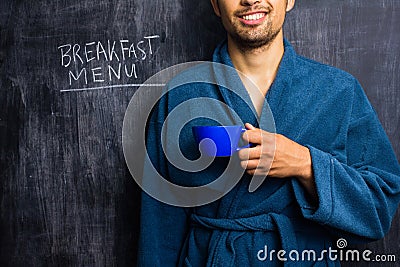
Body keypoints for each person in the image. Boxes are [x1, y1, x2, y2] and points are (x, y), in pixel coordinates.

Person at [137, 0, 400, 266]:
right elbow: (157, 229)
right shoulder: (181, 96)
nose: (250, 0)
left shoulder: (339, 93)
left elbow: (378, 210)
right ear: (215, 5)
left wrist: (305, 164)